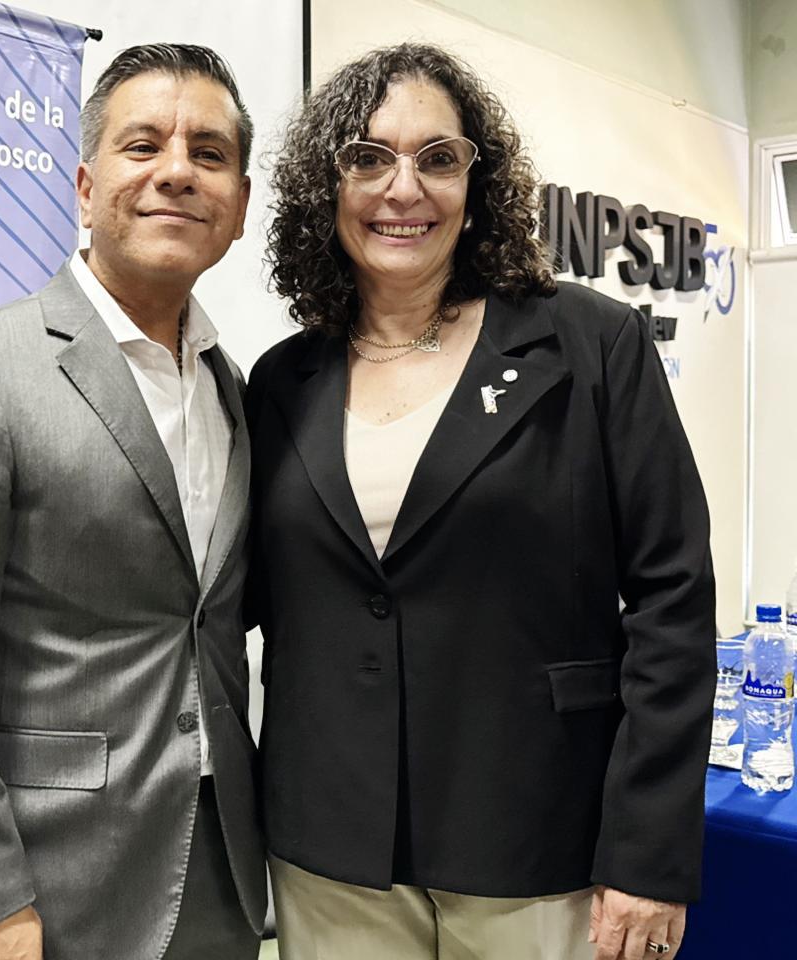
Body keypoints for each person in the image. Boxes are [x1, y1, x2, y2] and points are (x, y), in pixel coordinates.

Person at [247, 42, 715, 960]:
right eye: (368, 158)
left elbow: (672, 598)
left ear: (478, 181)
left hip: (539, 837)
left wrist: (650, 855)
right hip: (334, 850)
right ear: (326, 186)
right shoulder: (281, 382)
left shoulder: (588, 344)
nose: (403, 189)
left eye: (438, 158)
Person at [0, 43, 265, 960]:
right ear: (87, 189)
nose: (177, 171)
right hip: (46, 887)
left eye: (209, 154)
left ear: (239, 207)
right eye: (143, 147)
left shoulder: (228, 385)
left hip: (222, 874)